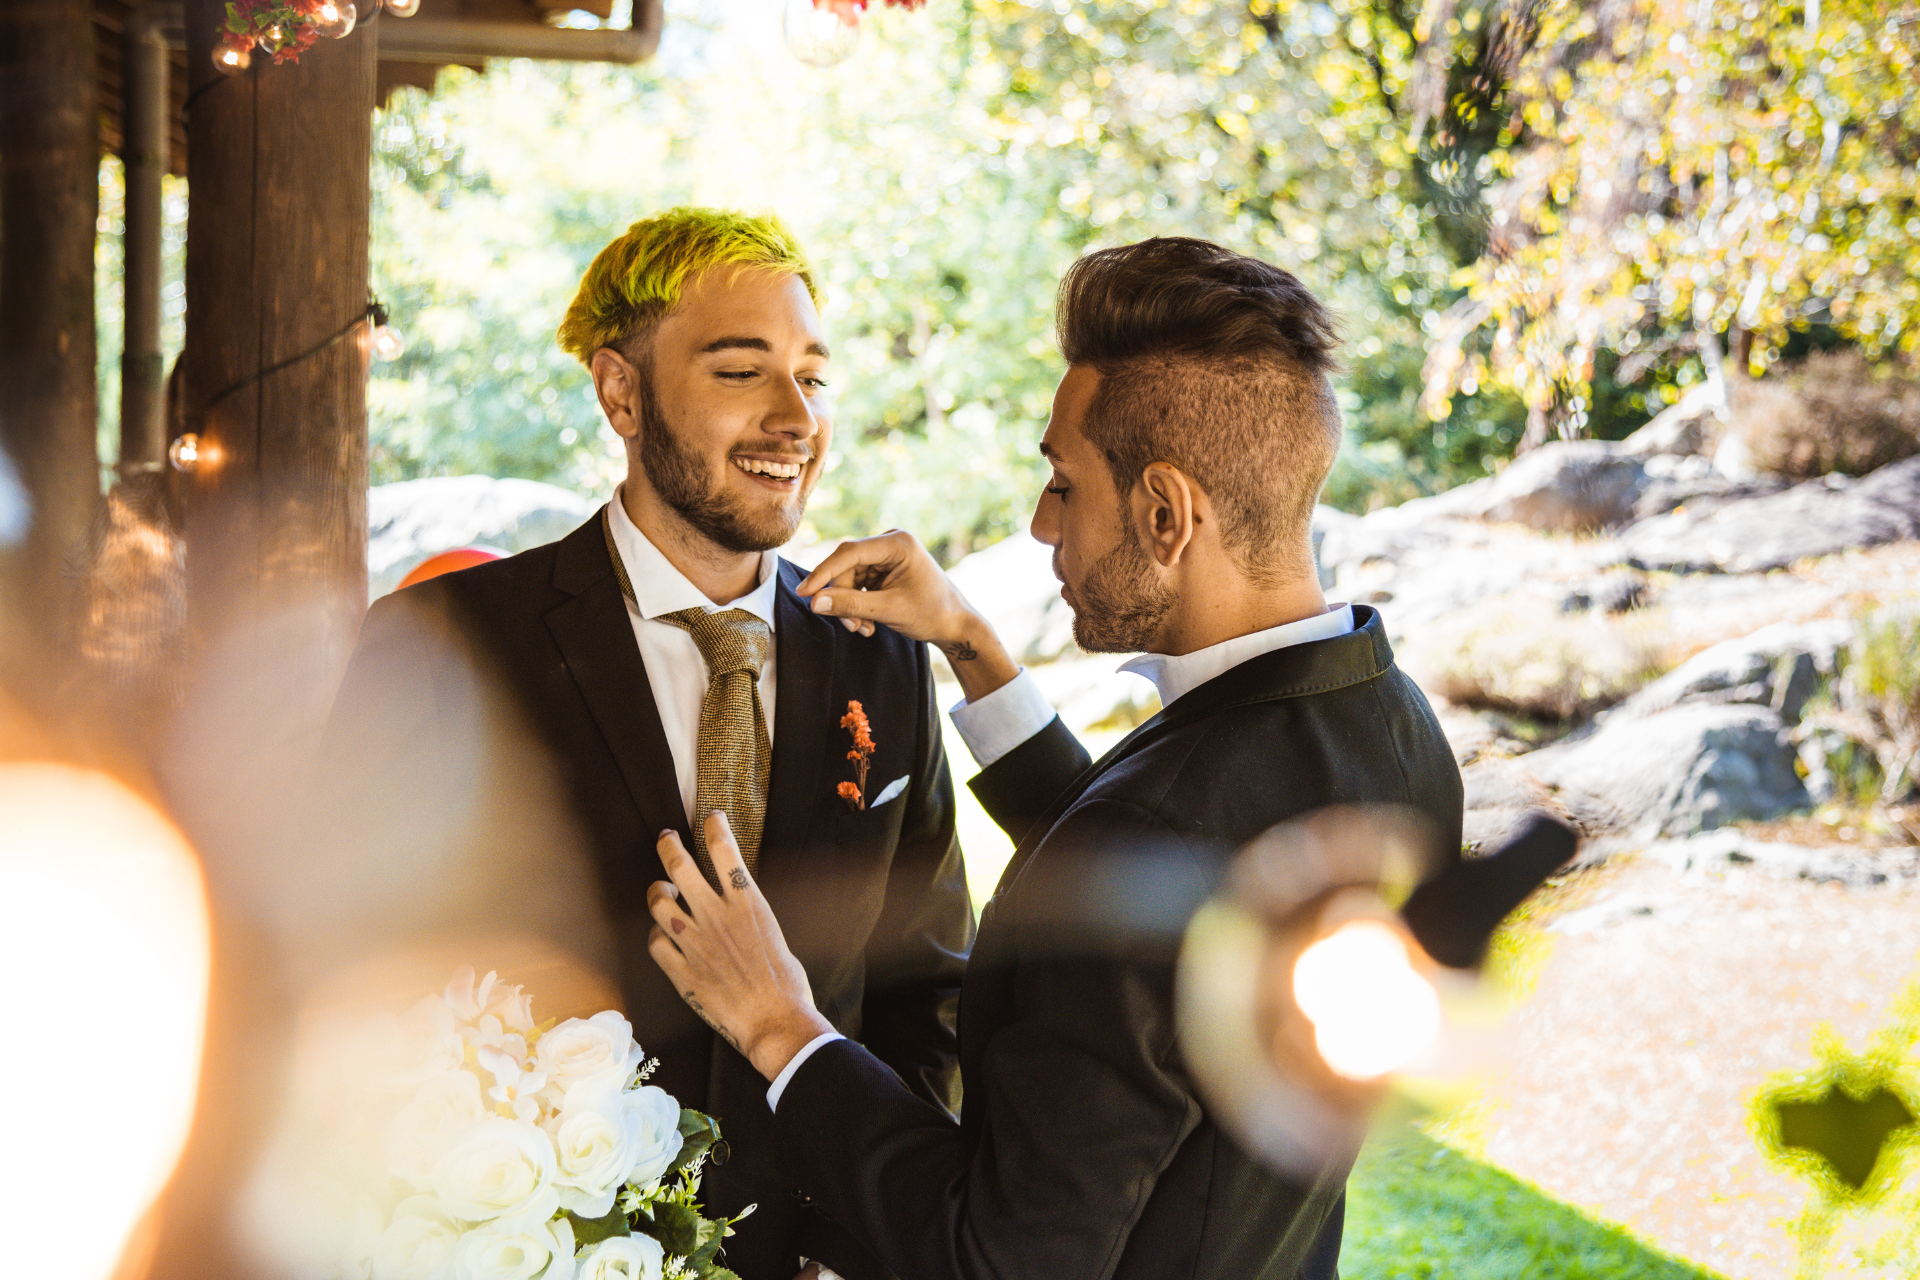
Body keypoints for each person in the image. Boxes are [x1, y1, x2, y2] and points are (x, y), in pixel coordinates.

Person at [644, 237, 1467, 1280]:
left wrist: (778, 1023)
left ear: (1166, 513)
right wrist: (975, 650)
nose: (1041, 523)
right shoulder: (1388, 723)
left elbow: (999, 1256)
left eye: (1062, 483)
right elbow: (1180, 897)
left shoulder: (1171, 816)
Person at [314, 209, 975, 1280]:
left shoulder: (882, 660)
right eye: (741, 371)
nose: (795, 414)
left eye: (813, 374)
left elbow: (927, 989)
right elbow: (338, 970)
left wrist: (862, 1234)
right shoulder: (440, 646)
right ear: (621, 392)